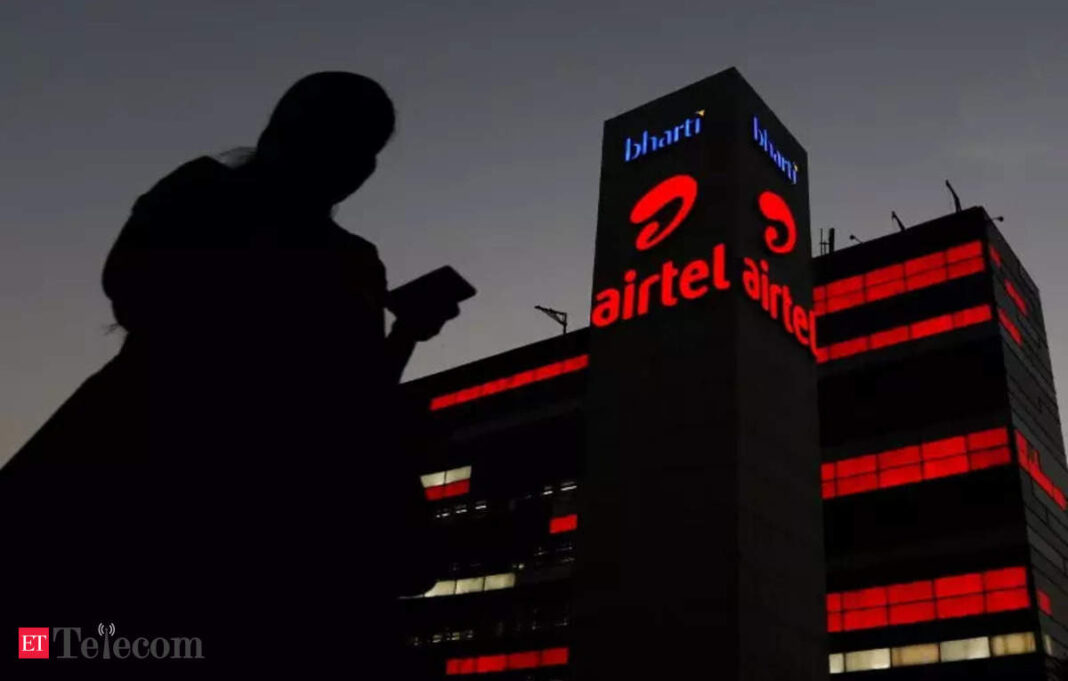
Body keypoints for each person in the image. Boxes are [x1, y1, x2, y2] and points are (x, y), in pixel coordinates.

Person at [1, 71, 458, 674]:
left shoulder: (334, 252)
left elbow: (353, 398)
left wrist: (404, 332)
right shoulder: (300, 239)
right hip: (216, 483)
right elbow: (348, 400)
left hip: (179, 470)